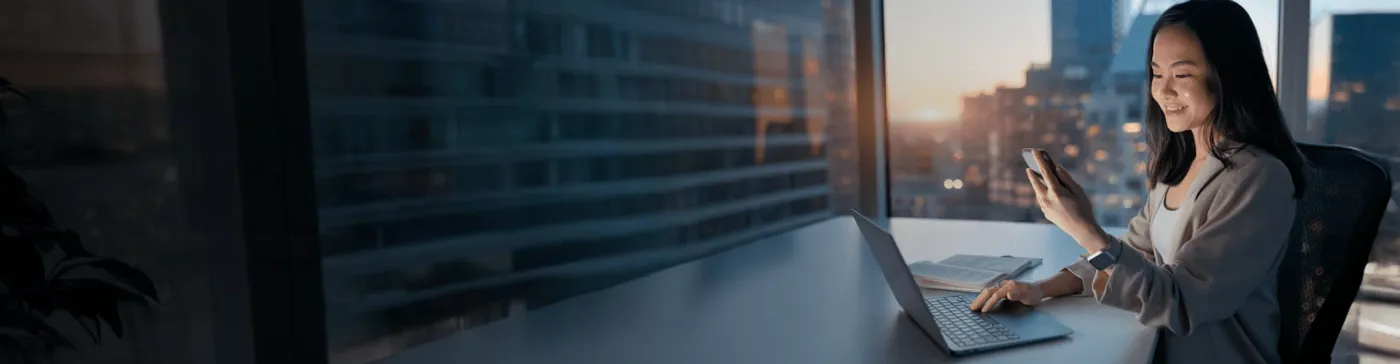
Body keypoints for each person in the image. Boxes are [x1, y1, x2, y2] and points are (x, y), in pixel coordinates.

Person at [965, 1, 1307, 363]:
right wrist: (1039, 289)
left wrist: (1084, 229)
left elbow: (1181, 304)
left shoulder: (1259, 177)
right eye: (1157, 74)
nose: (1163, 91)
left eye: (1183, 74)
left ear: (1229, 75)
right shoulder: (1181, 165)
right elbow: (1135, 253)